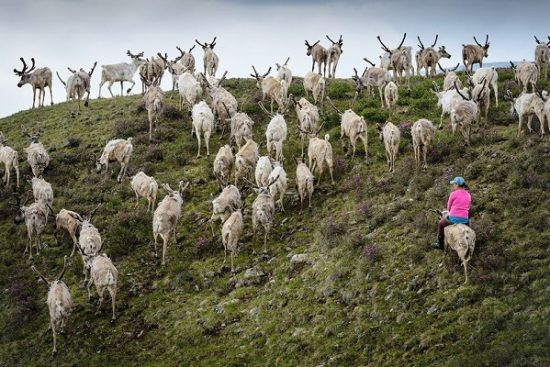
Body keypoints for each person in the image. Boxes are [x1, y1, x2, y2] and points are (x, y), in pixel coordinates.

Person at [431, 176, 471, 250]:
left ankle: (440, 245)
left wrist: (450, 213)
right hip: (465, 220)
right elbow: (468, 207)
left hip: (453, 219)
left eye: (454, 184)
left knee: (441, 224)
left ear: (457, 184)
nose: (453, 185)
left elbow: (449, 207)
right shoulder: (468, 195)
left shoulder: (453, 194)